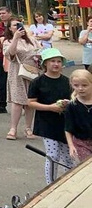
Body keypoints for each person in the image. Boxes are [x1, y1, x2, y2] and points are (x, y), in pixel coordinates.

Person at [27, 48, 74, 184]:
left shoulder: (67, 81)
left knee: (68, 156)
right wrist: (50, 108)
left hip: (65, 124)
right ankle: (50, 184)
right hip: (46, 122)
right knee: (52, 155)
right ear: (45, 64)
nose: (56, 64)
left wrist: (68, 104)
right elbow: (30, 103)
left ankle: (69, 181)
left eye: (59, 61)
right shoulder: (38, 82)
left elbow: (75, 99)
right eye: (52, 61)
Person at [6, 19, 39, 140]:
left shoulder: (32, 40)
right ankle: (13, 128)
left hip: (32, 72)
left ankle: (28, 127)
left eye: (20, 24)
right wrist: (15, 38)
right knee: (18, 101)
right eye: (15, 25)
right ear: (10, 28)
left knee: (30, 101)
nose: (19, 27)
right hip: (17, 73)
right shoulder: (8, 41)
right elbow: (11, 54)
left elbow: (40, 51)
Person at [65, 69, 92, 163]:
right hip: (81, 143)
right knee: (86, 169)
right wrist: (71, 146)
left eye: (84, 85)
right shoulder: (72, 105)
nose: (80, 88)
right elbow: (68, 128)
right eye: (76, 85)